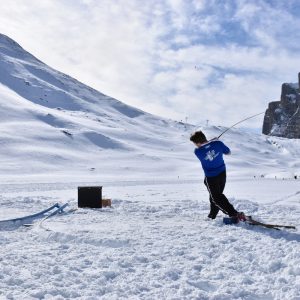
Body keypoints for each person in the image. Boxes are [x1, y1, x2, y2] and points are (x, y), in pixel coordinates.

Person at [190, 131, 246, 222]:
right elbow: (228, 152)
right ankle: (212, 215)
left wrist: (211, 143)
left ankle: (234, 214)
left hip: (211, 177)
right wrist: (216, 143)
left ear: (198, 143)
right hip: (222, 173)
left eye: (195, 143)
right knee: (216, 196)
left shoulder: (197, 151)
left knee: (216, 198)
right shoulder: (218, 143)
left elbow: (204, 148)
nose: (195, 145)